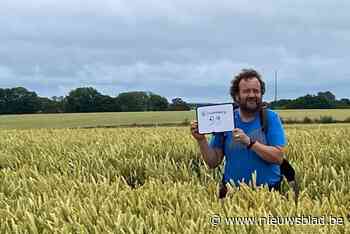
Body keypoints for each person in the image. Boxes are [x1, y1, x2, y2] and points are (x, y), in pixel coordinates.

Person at [190, 68, 287, 196]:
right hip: (232, 194)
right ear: (237, 96)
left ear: (261, 94)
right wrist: (201, 140)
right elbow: (213, 162)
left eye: (256, 91)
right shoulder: (225, 119)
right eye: (246, 91)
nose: (252, 95)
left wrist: (250, 143)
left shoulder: (271, 118)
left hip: (269, 194)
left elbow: (278, 157)